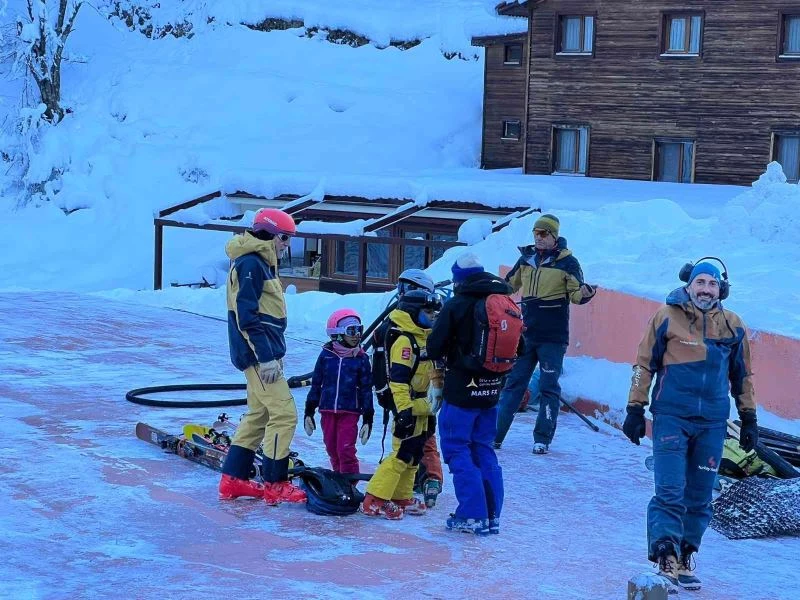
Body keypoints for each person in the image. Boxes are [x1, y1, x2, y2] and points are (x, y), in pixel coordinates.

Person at [623, 260, 758, 593]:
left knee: (699, 496)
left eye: (712, 284)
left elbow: (742, 377)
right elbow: (644, 364)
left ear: (721, 289)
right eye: (700, 282)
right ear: (689, 284)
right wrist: (635, 407)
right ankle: (665, 557)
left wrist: (749, 417)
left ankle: (685, 555)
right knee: (670, 490)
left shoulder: (733, 325)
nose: (705, 290)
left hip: (712, 423)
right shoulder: (666, 317)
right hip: (671, 417)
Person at [218, 208, 307, 506]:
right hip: (258, 357)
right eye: (284, 238)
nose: (286, 245)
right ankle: (275, 482)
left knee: (260, 414)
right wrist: (266, 358)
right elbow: (247, 318)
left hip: (263, 353)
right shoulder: (252, 264)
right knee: (284, 413)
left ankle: (233, 479)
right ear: (268, 234)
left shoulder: (261, 263)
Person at [427, 253, 514, 535]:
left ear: (458, 279)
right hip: (492, 391)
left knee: (457, 449)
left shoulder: (457, 304)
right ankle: (492, 515)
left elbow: (434, 346)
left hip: (462, 390)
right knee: (484, 449)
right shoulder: (503, 303)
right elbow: (520, 347)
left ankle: (472, 515)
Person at [494, 213, 595, 453]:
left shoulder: (568, 262)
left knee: (549, 388)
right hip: (526, 333)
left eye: (543, 233)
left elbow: (576, 294)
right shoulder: (526, 259)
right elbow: (508, 285)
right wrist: (488, 288)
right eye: (536, 233)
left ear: (554, 236)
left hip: (553, 337)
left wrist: (587, 294)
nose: (538, 238)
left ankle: (542, 438)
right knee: (513, 384)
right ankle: (495, 436)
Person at [361, 290, 443, 519]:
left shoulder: (425, 337)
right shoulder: (406, 341)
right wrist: (404, 412)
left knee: (414, 455)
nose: (433, 316)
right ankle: (374, 498)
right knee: (401, 453)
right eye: (427, 312)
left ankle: (401, 495)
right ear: (413, 312)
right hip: (408, 405)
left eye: (434, 311)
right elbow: (398, 381)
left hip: (423, 407)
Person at [303, 309, 374, 474]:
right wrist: (309, 411)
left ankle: (349, 483)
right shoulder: (326, 356)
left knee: (345, 449)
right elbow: (316, 384)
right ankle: (338, 479)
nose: (357, 335)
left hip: (349, 411)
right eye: (351, 330)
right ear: (337, 334)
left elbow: (366, 390)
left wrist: (368, 419)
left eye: (359, 330)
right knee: (332, 448)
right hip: (327, 410)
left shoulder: (361, 359)